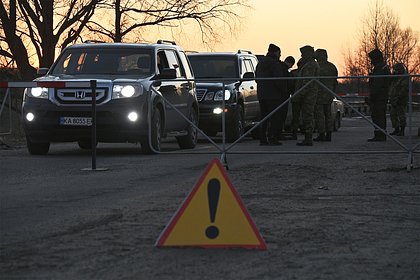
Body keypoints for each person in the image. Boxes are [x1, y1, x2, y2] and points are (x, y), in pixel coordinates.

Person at [255, 43, 288, 145]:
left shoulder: (260, 63)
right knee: (274, 117)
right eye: (279, 53)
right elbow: (278, 80)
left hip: (262, 94)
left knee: (264, 117)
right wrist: (284, 91)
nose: (280, 55)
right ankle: (272, 137)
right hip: (274, 95)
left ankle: (263, 138)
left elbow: (257, 78)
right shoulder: (275, 64)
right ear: (276, 52)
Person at [290, 45, 320, 146]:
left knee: (308, 116)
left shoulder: (310, 65)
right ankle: (308, 137)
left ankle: (308, 138)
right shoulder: (309, 64)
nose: (302, 55)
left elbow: (307, 83)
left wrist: (299, 94)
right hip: (308, 94)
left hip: (308, 95)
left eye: (303, 53)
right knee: (307, 115)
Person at [313, 49, 338, 142]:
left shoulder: (317, 66)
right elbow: (335, 81)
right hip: (329, 93)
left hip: (318, 94)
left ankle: (321, 133)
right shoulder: (332, 67)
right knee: (328, 114)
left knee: (319, 115)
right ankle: (329, 134)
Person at [367, 48, 391, 141]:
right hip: (381, 95)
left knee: (378, 116)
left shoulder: (380, 68)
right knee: (379, 115)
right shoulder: (382, 67)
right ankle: (379, 134)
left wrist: (372, 96)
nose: (371, 61)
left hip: (379, 96)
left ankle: (380, 134)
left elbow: (377, 84)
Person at [277, 56, 295, 139]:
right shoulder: (284, 70)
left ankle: (278, 132)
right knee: (281, 115)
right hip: (282, 95)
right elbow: (287, 83)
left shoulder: (280, 67)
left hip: (280, 95)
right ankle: (278, 133)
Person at [389, 63, 409, 136]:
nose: (395, 71)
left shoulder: (404, 77)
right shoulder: (396, 77)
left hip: (401, 99)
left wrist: (399, 97)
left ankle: (402, 130)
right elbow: (390, 83)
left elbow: (404, 88)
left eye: (396, 70)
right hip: (394, 98)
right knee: (392, 114)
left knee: (401, 115)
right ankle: (396, 128)